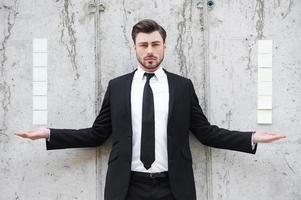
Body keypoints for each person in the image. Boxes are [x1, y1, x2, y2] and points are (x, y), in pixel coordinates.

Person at [16, 19, 285, 200]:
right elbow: (97, 134)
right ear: (135, 47)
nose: (150, 51)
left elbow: (206, 133)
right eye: (143, 45)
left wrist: (251, 137)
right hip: (127, 187)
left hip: (173, 187)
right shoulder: (118, 86)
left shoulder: (182, 86)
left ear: (164, 46)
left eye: (155, 44)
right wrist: (49, 133)